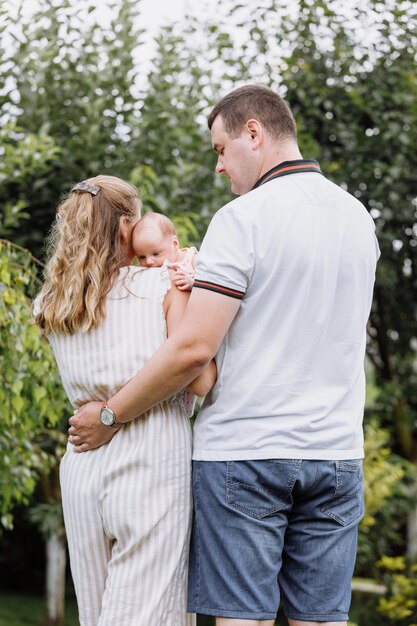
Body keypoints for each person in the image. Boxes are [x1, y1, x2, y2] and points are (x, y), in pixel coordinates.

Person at [70, 85, 380, 626]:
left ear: (253, 134)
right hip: (336, 453)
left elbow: (192, 350)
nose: (219, 166)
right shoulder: (357, 217)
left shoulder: (242, 218)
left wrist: (110, 413)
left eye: (219, 148)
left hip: (246, 453)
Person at [34, 175, 215, 626]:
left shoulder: (51, 303)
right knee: (151, 614)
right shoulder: (164, 288)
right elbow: (200, 379)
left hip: (83, 466)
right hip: (151, 463)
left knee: (96, 615)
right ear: (123, 229)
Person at [132, 212, 197, 291]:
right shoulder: (148, 270)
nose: (148, 261)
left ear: (174, 244)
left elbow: (210, 281)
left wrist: (193, 283)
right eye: (142, 257)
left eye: (155, 254)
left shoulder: (190, 259)